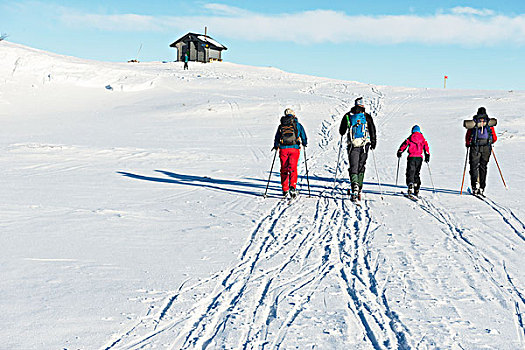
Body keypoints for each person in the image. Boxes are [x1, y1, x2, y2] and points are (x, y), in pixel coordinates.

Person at [338, 97, 377, 201]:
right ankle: (359, 187)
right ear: (362, 105)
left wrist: (344, 132)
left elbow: (341, 130)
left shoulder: (348, 116)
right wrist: (373, 142)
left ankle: (354, 186)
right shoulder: (366, 116)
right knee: (361, 165)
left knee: (353, 165)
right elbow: (372, 129)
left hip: (352, 145)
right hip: (365, 144)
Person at [273, 108, 308, 198]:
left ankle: (285, 189)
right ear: (294, 115)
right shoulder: (297, 125)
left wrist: (276, 145)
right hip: (294, 149)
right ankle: (292, 186)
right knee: (293, 168)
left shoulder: (281, 125)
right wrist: (304, 143)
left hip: (283, 149)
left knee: (284, 168)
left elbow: (277, 137)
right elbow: (303, 135)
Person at [465, 107, 497, 196]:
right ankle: (482, 187)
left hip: (475, 147)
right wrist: (490, 143)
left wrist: (468, 144)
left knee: (474, 166)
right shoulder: (488, 123)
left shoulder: (474, 123)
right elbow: (494, 137)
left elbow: (468, 135)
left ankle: (475, 186)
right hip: (486, 148)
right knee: (483, 167)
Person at [397, 125, 430, 196]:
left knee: (410, 171)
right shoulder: (422, 138)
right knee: (417, 172)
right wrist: (427, 155)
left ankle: (410, 184)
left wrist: (400, 151)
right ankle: (416, 187)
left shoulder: (410, 138)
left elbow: (405, 144)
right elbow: (426, 146)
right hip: (419, 158)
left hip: (411, 157)